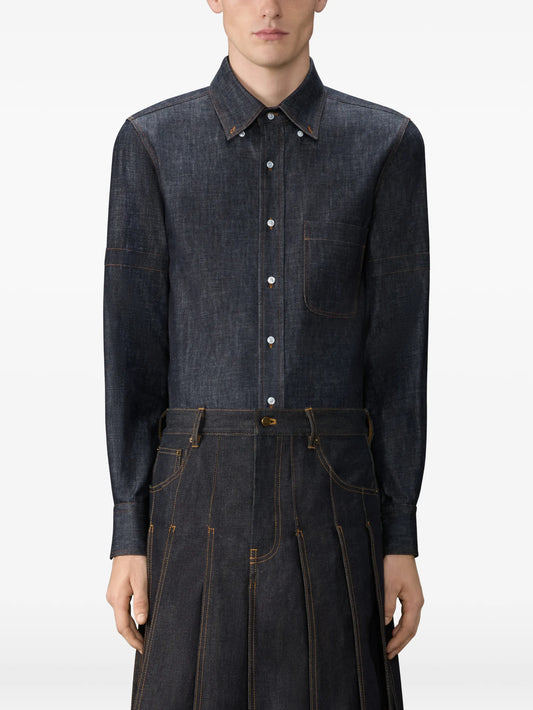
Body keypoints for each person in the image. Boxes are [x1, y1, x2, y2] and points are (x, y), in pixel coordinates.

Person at [103, 1, 429, 708]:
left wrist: (399, 535)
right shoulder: (151, 143)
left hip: (335, 498)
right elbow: (132, 354)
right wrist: (129, 530)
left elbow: (398, 362)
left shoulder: (387, 145)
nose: (269, 6)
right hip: (192, 499)